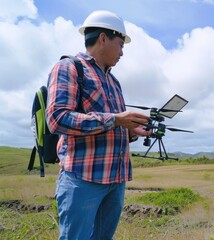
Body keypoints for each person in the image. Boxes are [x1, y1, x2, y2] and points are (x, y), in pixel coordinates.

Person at [45, 10, 151, 239]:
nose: (123, 52)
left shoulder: (114, 82)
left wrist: (132, 130)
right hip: (83, 179)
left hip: (116, 180)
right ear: (103, 38)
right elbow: (57, 119)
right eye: (121, 44)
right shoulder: (69, 68)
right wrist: (115, 119)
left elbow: (113, 127)